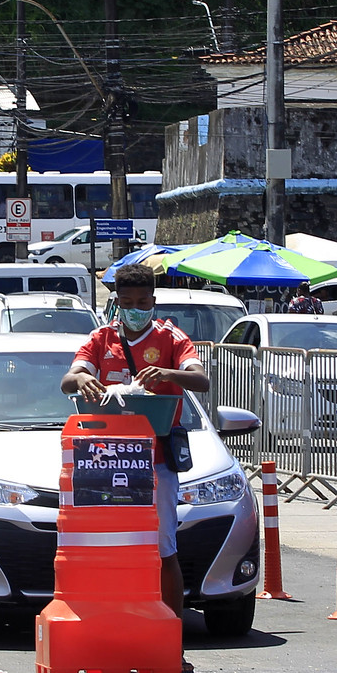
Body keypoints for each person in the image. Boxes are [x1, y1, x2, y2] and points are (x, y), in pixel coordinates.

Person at [59, 262, 210, 629]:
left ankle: (170, 637)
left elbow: (201, 379)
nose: (135, 309)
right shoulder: (102, 339)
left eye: (143, 301)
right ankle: (105, 629)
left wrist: (169, 374)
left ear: (153, 301)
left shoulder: (171, 339)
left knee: (163, 549)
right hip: (104, 465)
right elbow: (67, 380)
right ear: (117, 302)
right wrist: (81, 381)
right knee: (105, 549)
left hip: (156, 462)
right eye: (128, 301)